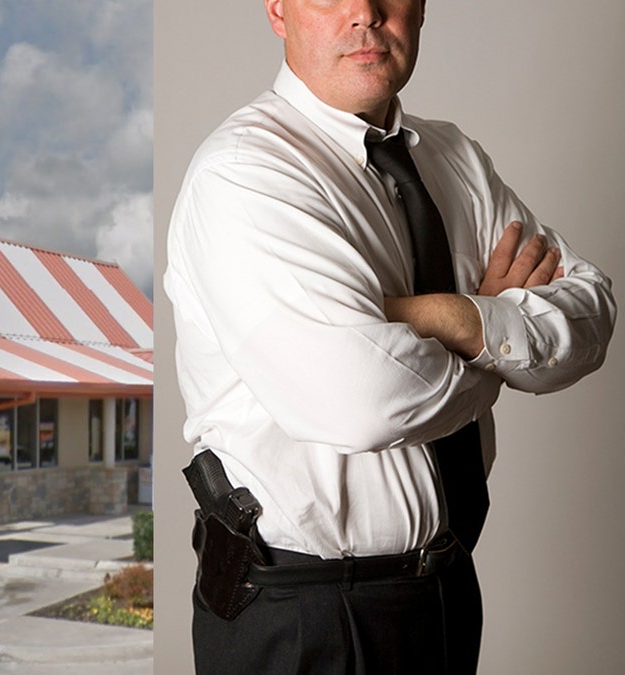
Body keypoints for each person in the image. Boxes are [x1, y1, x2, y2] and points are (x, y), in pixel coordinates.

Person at [163, 1, 616, 673]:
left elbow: (592, 315)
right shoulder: (246, 172)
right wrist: (496, 338)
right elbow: (360, 399)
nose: (366, 13)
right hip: (305, 616)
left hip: (444, 591)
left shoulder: (454, 159)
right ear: (278, 9)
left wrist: (447, 318)